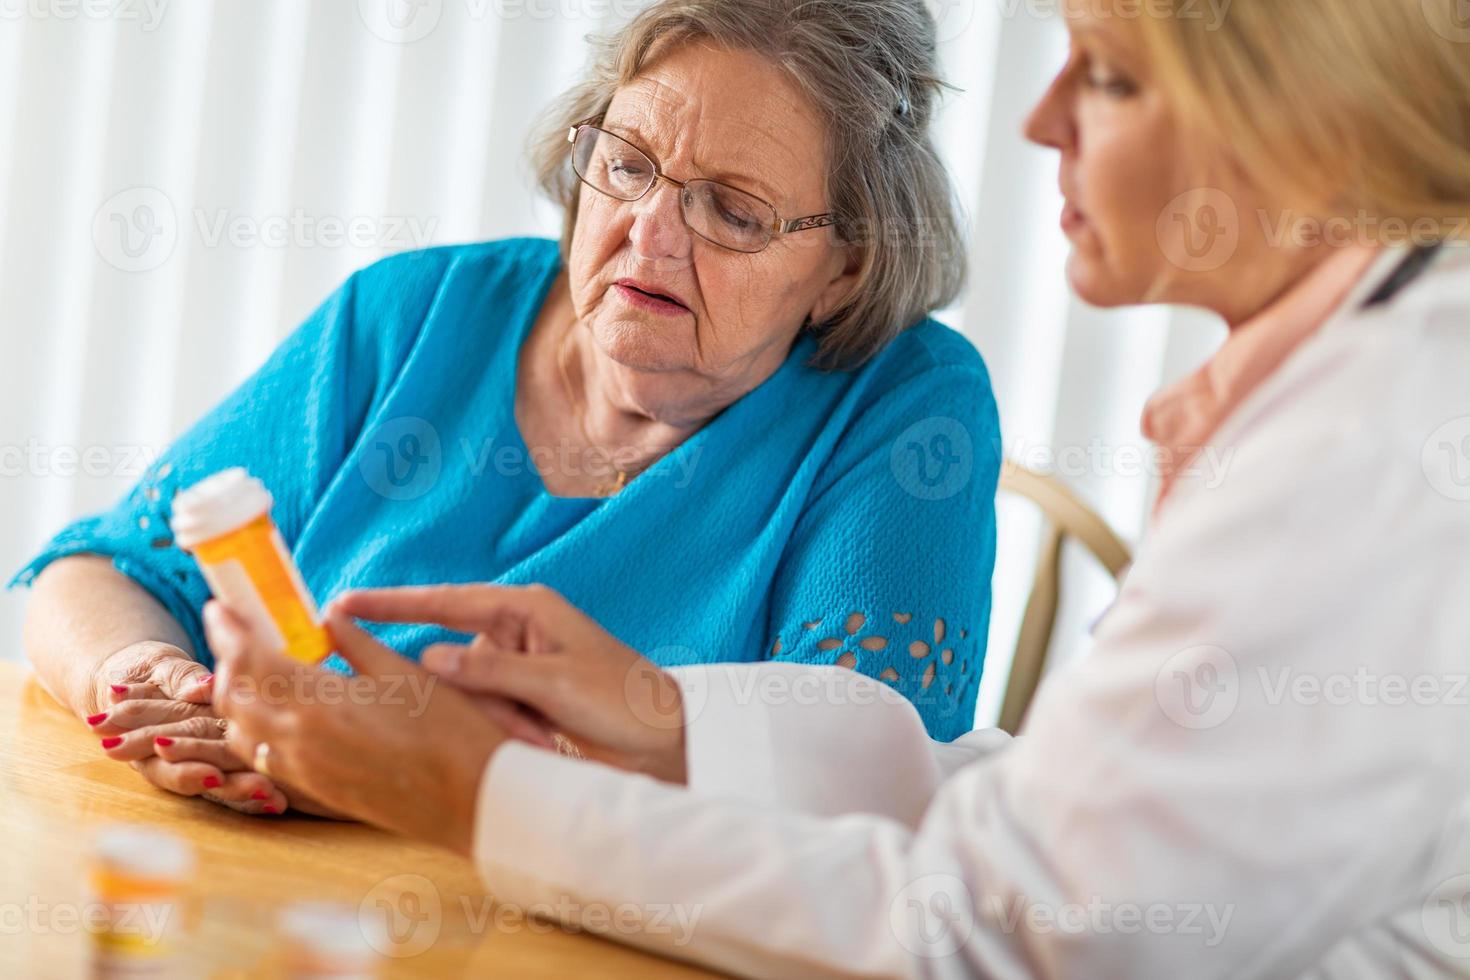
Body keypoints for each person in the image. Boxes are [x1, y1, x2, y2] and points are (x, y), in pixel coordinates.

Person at [205, 0, 1470, 974]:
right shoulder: (1370, 376)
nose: (1041, 125)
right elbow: (1057, 819)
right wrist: (662, 716)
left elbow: (998, 935)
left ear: (1316, 120)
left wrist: (493, 796)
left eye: (1112, 73)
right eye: (630, 165)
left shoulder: (1378, 450)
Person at [13, 0, 1000, 816]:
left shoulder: (908, 410)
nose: (649, 232)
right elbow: (103, 567)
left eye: (734, 211)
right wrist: (150, 682)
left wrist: (386, 763)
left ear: (848, 264)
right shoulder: (411, 314)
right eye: (628, 163)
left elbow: (856, 788)